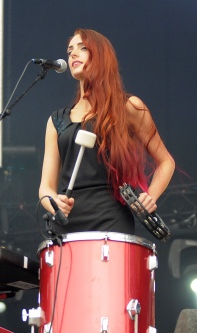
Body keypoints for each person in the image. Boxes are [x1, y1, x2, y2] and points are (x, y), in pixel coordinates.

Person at [38, 29, 175, 235]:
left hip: (111, 220)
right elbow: (45, 188)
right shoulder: (56, 120)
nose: (73, 54)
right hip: (67, 225)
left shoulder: (128, 107)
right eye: (70, 50)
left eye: (83, 48)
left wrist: (151, 196)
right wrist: (54, 202)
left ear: (101, 55)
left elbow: (166, 162)